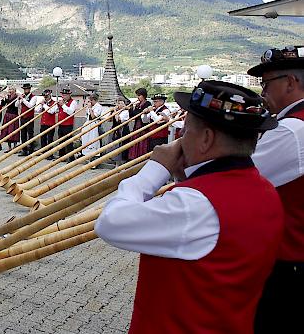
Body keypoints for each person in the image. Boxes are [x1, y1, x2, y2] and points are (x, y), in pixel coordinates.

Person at [95, 80, 283, 333]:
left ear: (205, 138)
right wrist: (185, 177)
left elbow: (110, 224)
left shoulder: (196, 205)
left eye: (186, 131)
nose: (181, 138)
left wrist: (154, 169)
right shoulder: (266, 190)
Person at [248, 46, 304, 333]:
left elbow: (239, 177)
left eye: (266, 83)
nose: (263, 92)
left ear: (291, 83)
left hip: (288, 260)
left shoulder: (292, 129)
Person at [127, 87, 152, 160]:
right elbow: (133, 115)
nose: (137, 97)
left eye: (139, 95)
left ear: (143, 95)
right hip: (136, 126)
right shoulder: (137, 105)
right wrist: (130, 108)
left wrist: (136, 110)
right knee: (134, 142)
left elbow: (140, 113)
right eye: (137, 95)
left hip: (143, 126)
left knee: (142, 143)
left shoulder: (148, 103)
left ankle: (140, 159)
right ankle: (133, 158)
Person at [56, 88, 78, 161]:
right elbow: (57, 111)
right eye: (63, 95)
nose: (64, 96)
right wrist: (58, 105)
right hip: (61, 123)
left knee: (68, 142)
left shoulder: (73, 102)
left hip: (68, 124)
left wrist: (63, 105)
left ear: (69, 95)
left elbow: (70, 112)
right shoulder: (62, 101)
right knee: (61, 141)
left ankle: (71, 158)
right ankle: (62, 156)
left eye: (65, 95)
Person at [80, 92, 104, 157]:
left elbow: (93, 117)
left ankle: (94, 157)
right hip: (88, 124)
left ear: (93, 100)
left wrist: (90, 108)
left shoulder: (99, 107)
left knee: (93, 142)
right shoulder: (90, 107)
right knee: (85, 141)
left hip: (94, 125)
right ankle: (86, 155)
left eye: (90, 101)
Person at [37, 89, 57, 156]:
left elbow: (51, 111)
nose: (45, 98)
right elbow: (37, 110)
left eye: (46, 96)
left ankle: (50, 154)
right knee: (43, 139)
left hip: (50, 124)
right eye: (44, 96)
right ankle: (43, 152)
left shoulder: (54, 103)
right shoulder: (43, 103)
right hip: (43, 123)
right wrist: (40, 105)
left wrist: (44, 105)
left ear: (50, 95)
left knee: (50, 139)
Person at [0, 86, 21, 152]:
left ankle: (15, 147)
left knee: (13, 130)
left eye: (11, 89)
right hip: (7, 114)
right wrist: (3, 98)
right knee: (7, 131)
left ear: (14, 90)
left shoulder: (17, 97)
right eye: (9, 89)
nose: (10, 90)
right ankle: (9, 147)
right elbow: (3, 104)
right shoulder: (7, 96)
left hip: (14, 115)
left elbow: (15, 105)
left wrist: (18, 99)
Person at [19, 83, 37, 156]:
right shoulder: (23, 97)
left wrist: (22, 99)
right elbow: (17, 105)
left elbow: (30, 106)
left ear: (29, 89)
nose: (25, 90)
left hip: (29, 117)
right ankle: (24, 150)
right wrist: (19, 99)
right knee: (22, 134)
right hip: (22, 117)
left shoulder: (34, 97)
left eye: (27, 89)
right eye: (24, 89)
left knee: (30, 134)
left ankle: (31, 150)